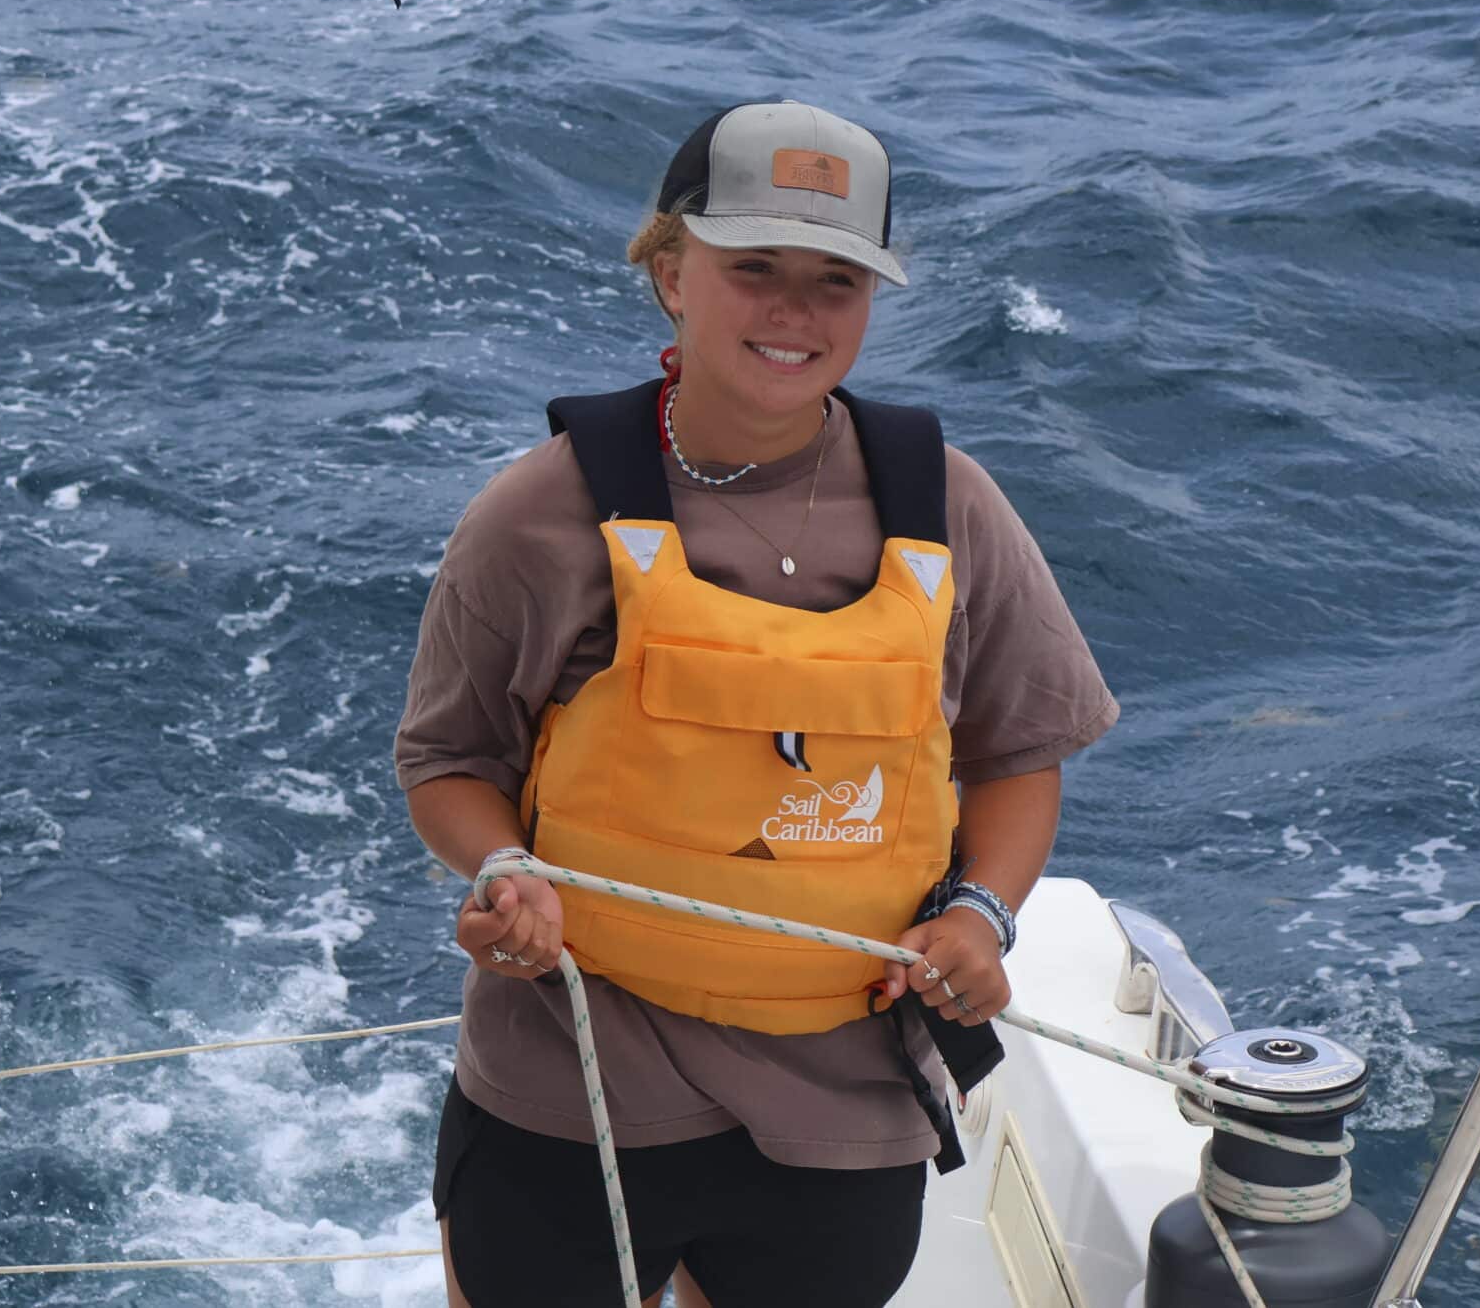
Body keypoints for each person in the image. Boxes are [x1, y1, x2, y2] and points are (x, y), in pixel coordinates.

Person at [393, 101, 1119, 1307]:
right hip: (576, 1085)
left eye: (837, 280)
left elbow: (1016, 753)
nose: (795, 310)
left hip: (846, 1108)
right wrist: (505, 871)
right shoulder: (539, 511)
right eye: (754, 268)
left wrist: (982, 915)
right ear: (671, 274)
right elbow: (448, 760)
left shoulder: (953, 506)